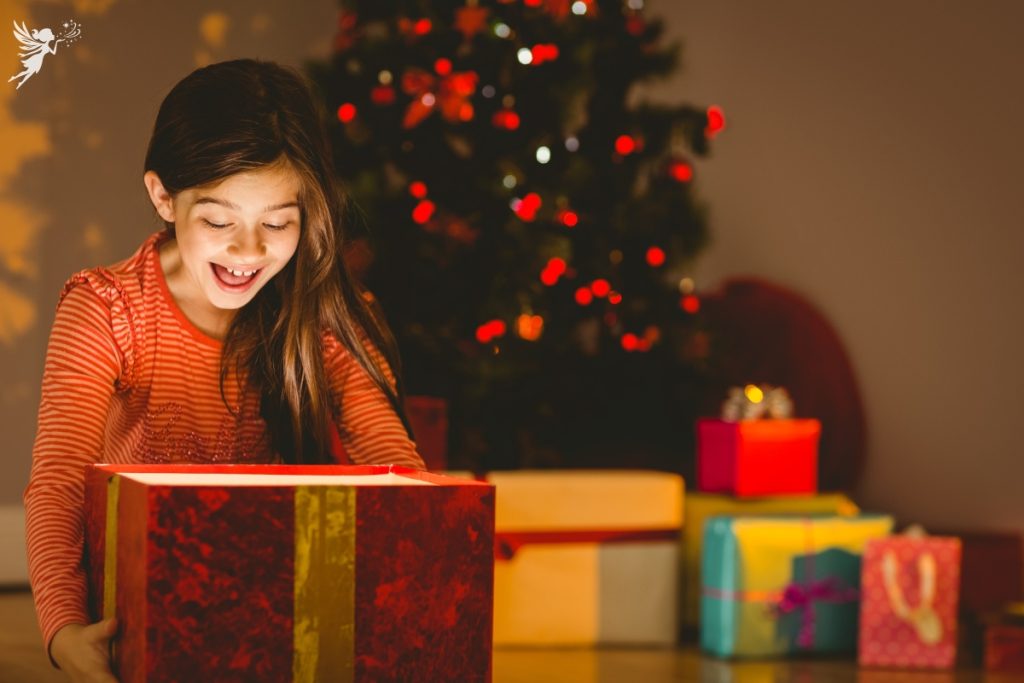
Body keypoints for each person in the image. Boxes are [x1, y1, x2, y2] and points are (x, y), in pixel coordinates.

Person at [22, 58, 426, 682]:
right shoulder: (105, 310)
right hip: (145, 619)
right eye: (218, 220)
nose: (248, 251)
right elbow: (57, 484)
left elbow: (396, 467)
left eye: (277, 222)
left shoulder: (323, 311)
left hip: (288, 616)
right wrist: (65, 631)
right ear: (163, 195)